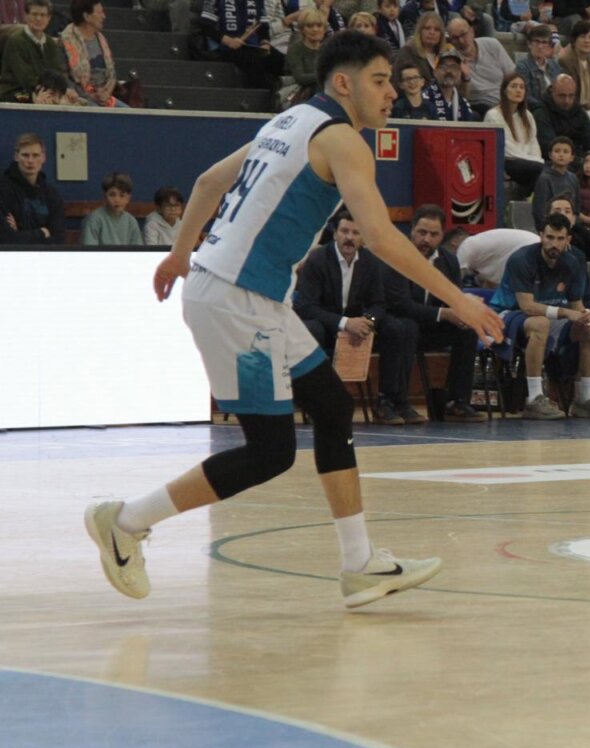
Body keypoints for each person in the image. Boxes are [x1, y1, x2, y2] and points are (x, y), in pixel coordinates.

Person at [85, 31, 505, 610]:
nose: (392, 96)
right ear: (342, 83)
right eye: (380, 81)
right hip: (238, 300)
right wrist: (459, 300)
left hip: (250, 295)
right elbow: (380, 235)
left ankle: (358, 564)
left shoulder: (288, 121)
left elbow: (209, 182)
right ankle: (125, 522)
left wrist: (183, 253)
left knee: (333, 408)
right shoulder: (340, 138)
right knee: (270, 451)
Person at [294, 209, 425, 425]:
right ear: (335, 233)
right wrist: (346, 324)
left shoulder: (370, 261)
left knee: (401, 327)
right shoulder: (317, 260)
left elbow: (378, 303)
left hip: (358, 325)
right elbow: (306, 306)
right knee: (311, 328)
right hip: (326, 325)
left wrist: (367, 322)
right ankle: (314, 401)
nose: (349, 237)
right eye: (344, 231)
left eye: (355, 233)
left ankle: (389, 400)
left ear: (362, 237)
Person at [488, 213, 590, 419]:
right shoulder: (522, 259)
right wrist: (567, 313)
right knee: (541, 323)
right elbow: (527, 306)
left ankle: (585, 398)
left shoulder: (573, 262)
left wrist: (588, 313)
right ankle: (534, 399)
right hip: (508, 314)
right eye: (549, 237)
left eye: (560, 239)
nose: (554, 244)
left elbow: (577, 306)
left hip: (550, 316)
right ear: (541, 236)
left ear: (568, 239)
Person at [381, 204, 487, 422]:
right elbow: (401, 304)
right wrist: (444, 314)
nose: (426, 239)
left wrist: (463, 313)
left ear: (441, 236)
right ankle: (396, 401)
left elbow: (454, 297)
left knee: (467, 331)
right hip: (399, 323)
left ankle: (457, 401)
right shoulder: (395, 255)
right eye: (421, 233)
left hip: (430, 327)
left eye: (433, 234)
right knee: (406, 326)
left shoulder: (448, 261)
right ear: (411, 231)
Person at [198, 0, 285, 90]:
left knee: (282, 61)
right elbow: (206, 27)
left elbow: (263, 26)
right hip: (225, 48)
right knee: (255, 61)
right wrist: (228, 41)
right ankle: (263, 98)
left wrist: (265, 43)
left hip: (253, 46)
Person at [0, 132, 64, 245]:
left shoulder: (51, 194)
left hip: (46, 258)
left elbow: (58, 240)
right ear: (16, 157)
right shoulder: (3, 189)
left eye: (35, 155)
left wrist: (20, 232)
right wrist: (42, 232)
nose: (30, 161)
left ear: (43, 157)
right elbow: (6, 238)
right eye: (25, 155)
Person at [485, 72, 544, 194]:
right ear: (504, 91)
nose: (518, 90)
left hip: (528, 163)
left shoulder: (528, 116)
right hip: (507, 161)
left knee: (552, 170)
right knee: (541, 169)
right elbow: (506, 148)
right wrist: (535, 161)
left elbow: (533, 143)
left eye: (522, 87)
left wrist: (536, 159)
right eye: (514, 86)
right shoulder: (494, 115)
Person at [62, 0, 122, 107]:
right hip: (80, 97)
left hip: (105, 96)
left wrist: (106, 93)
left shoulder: (101, 39)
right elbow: (65, 77)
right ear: (86, 16)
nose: (103, 16)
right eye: (99, 13)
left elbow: (112, 72)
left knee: (128, 113)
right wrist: (88, 95)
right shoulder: (66, 40)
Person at [446, 15, 511, 114]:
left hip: (504, 99)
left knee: (536, 107)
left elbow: (511, 76)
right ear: (450, 41)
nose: (461, 41)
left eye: (463, 34)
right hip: (479, 105)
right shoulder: (451, 60)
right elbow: (461, 98)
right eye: (455, 38)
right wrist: (465, 78)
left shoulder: (492, 45)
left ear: (472, 31)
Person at [0, 0, 62, 103]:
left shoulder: (50, 43)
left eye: (42, 15)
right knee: (35, 99)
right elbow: (25, 78)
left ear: (48, 18)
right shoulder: (16, 41)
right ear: (25, 16)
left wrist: (55, 91)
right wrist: (42, 93)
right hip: (15, 92)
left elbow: (55, 71)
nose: (38, 19)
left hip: (42, 90)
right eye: (34, 14)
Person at [533, 73, 590, 159]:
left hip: (581, 162)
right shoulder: (541, 113)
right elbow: (549, 148)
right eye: (562, 96)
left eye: (571, 96)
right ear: (552, 92)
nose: (567, 101)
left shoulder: (580, 112)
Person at [456, 227, 540, 285]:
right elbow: (490, 285)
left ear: (454, 243)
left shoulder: (466, 245)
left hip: (528, 249)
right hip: (534, 246)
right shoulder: (481, 248)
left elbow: (455, 281)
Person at [81, 172, 143, 246]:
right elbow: (89, 251)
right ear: (104, 196)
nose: (117, 200)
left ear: (128, 199)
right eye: (112, 195)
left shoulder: (131, 221)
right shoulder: (94, 219)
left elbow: (136, 251)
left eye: (122, 195)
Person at [282, 9, 327, 107]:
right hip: (298, 95)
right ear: (302, 29)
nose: (315, 29)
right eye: (309, 26)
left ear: (324, 29)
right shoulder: (295, 49)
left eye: (319, 26)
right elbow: (300, 78)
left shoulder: (327, 49)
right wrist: (325, 75)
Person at [532, 136, 579, 230]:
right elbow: (539, 211)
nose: (561, 155)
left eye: (565, 152)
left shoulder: (573, 178)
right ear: (550, 155)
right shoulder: (544, 179)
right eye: (557, 151)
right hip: (551, 227)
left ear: (572, 157)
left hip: (570, 227)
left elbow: (576, 207)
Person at [513, 24, 561, 110]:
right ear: (529, 44)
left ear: (549, 46)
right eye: (537, 41)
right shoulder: (522, 67)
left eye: (544, 42)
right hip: (537, 110)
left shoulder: (555, 65)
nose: (540, 46)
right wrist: (546, 107)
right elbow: (526, 96)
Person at [421, 46, 474, 120]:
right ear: (435, 72)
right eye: (443, 67)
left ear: (459, 72)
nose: (449, 71)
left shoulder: (462, 102)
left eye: (453, 67)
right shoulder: (425, 98)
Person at [556, 20, 590, 108]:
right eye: (583, 37)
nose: (587, 41)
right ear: (574, 41)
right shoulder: (565, 62)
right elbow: (566, 96)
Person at [395, 11, 445, 83]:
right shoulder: (407, 53)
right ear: (419, 31)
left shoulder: (445, 56)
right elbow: (398, 82)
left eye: (436, 30)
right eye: (427, 28)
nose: (432, 32)